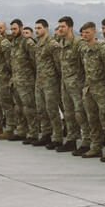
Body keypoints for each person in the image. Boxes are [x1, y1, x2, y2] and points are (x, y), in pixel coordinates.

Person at [80, 21, 105, 161]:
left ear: (94, 32)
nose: (85, 35)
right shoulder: (84, 48)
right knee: (93, 120)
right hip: (89, 90)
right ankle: (95, 147)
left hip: (103, 90)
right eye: (83, 32)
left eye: (87, 32)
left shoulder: (102, 48)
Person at [57, 16, 90, 154]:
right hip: (65, 84)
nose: (60, 29)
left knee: (80, 114)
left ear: (70, 27)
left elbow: (87, 65)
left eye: (63, 27)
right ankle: (71, 139)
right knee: (68, 113)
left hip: (77, 85)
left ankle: (87, 141)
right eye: (59, 27)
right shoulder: (61, 43)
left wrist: (85, 85)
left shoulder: (79, 43)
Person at [34, 19, 63, 148]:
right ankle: (46, 134)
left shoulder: (52, 44)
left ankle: (57, 137)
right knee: (41, 109)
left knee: (52, 110)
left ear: (46, 28)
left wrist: (56, 81)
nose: (37, 31)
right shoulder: (38, 44)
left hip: (50, 82)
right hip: (39, 82)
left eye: (39, 28)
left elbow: (59, 65)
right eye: (35, 28)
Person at [9, 19, 39, 144]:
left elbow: (35, 62)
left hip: (27, 82)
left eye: (15, 29)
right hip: (16, 81)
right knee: (18, 108)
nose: (13, 31)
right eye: (11, 29)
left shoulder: (28, 42)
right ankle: (21, 131)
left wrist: (31, 78)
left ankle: (33, 133)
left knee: (30, 109)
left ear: (21, 28)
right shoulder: (14, 43)